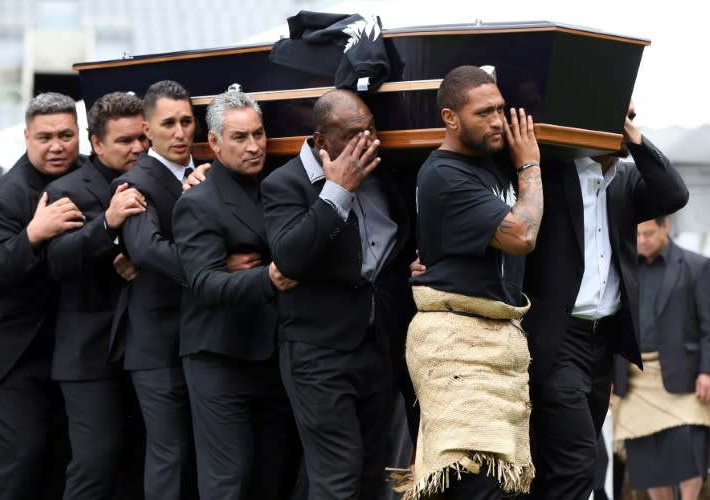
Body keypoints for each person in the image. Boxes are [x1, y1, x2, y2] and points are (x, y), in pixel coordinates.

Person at [521, 101, 689, 499]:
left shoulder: (627, 181)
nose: (622, 124)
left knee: (565, 463)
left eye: (628, 116)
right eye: (617, 116)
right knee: (580, 463)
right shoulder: (554, 173)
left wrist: (632, 133)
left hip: (603, 345)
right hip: (558, 340)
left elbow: (674, 194)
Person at [261, 89, 414, 499]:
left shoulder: (384, 178)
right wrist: (337, 192)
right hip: (317, 352)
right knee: (337, 473)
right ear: (320, 142)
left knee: (370, 470)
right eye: (353, 135)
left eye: (371, 130)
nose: (367, 142)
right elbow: (290, 257)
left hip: (374, 347)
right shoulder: (285, 183)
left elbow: (388, 251)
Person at [399, 65, 542, 499]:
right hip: (457, 347)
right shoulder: (445, 173)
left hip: (496, 344)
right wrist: (530, 165)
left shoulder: (490, 165)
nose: (499, 121)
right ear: (450, 118)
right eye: (484, 112)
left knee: (495, 486)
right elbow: (522, 235)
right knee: (475, 484)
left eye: (501, 109)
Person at [0, 92, 86, 500]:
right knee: (17, 463)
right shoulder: (3, 199)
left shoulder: (89, 175)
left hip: (60, 349)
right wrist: (33, 234)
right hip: (5, 354)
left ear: (80, 136)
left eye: (65, 134)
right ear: (27, 137)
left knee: (59, 461)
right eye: (45, 136)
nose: (56, 145)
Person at [173, 88, 297, 499]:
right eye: (240, 137)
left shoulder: (277, 184)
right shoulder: (199, 200)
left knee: (270, 474)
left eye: (258, 134)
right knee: (228, 480)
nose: (254, 146)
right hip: (219, 356)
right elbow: (204, 283)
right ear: (213, 143)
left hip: (270, 354)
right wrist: (268, 278)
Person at [44, 91, 149, 500]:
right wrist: (108, 225)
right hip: (88, 356)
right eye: (125, 141)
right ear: (97, 143)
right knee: (95, 464)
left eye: (142, 137)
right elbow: (60, 261)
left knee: (140, 465)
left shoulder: (160, 176)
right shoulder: (65, 190)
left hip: (147, 352)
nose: (138, 147)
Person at [110, 80, 196, 500]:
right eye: (168, 124)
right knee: (169, 456)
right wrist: (215, 268)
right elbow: (145, 248)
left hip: (200, 339)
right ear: (148, 129)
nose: (179, 132)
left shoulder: (207, 173)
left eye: (186, 121)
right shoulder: (136, 182)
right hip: (156, 345)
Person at [612, 216, 710, 500]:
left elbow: (709, 325)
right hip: (633, 376)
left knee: (687, 447)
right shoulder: (622, 268)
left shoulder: (696, 266)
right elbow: (612, 325)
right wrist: (607, 377)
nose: (642, 240)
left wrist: (707, 371)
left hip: (685, 374)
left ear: (666, 226)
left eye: (649, 233)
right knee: (646, 458)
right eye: (638, 234)